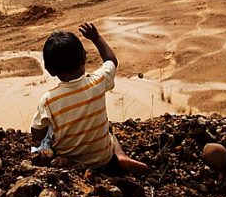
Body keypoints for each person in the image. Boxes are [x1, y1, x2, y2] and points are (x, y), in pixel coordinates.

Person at [31, 22, 149, 175]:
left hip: (70, 163)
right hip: (103, 159)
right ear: (84, 58)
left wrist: (44, 139)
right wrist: (96, 38)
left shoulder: (48, 100)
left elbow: (37, 133)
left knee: (48, 134)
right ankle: (120, 155)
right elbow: (111, 61)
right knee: (107, 128)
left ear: (50, 70)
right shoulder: (98, 81)